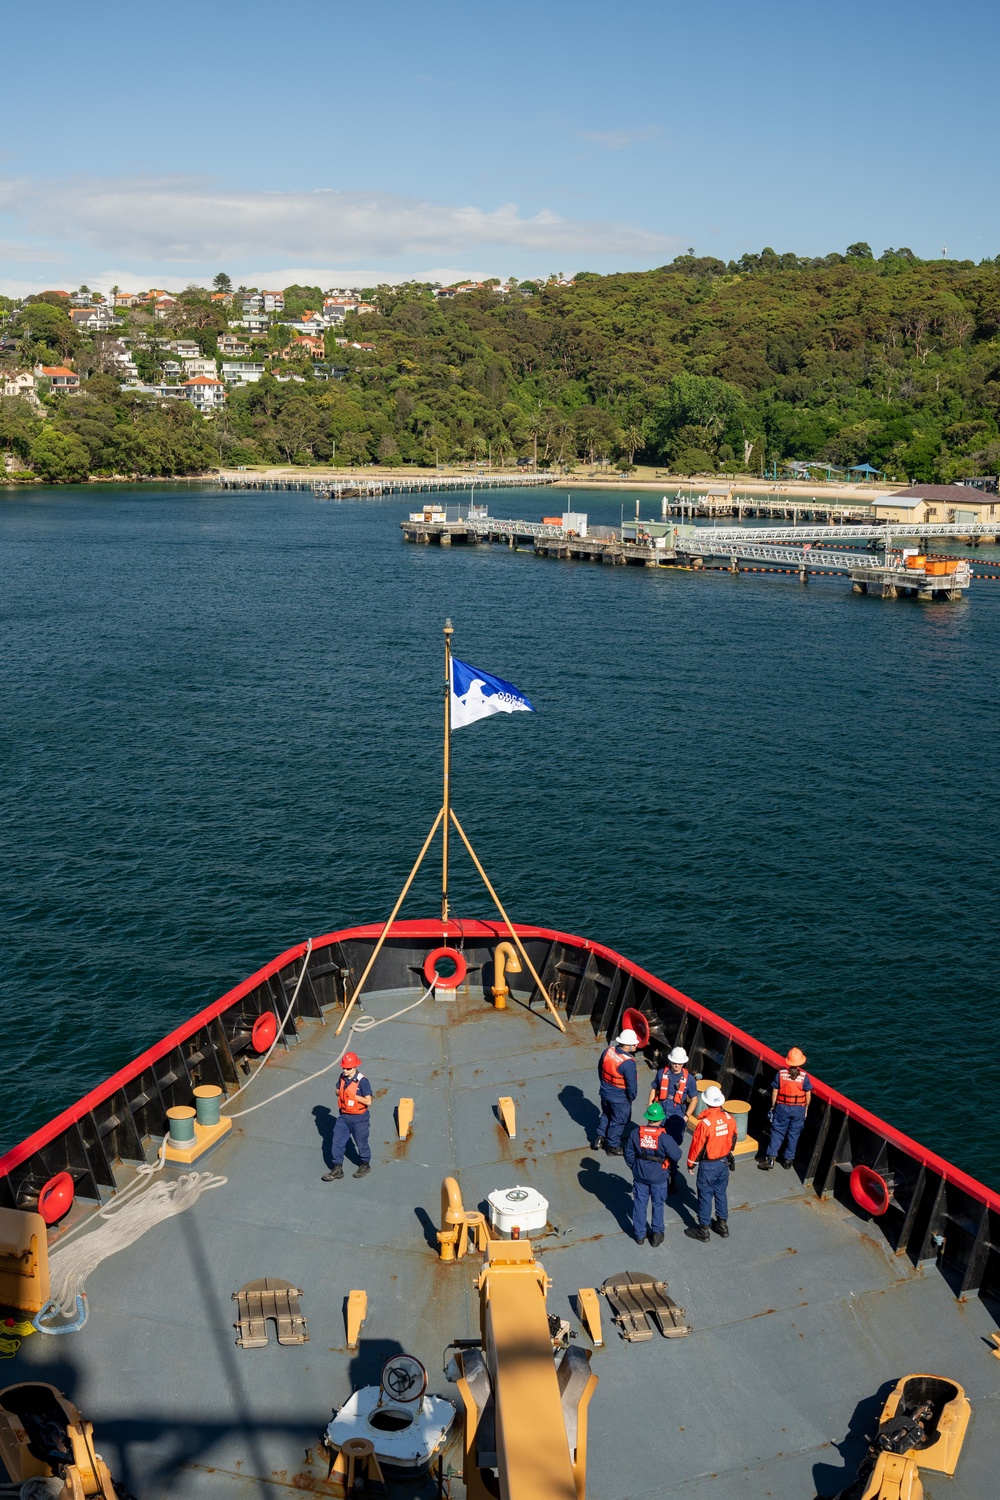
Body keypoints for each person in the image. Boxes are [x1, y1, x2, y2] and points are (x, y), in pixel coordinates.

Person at [684, 1085, 738, 1242]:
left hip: (709, 1166)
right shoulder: (729, 1118)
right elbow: (733, 1138)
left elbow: (697, 1146)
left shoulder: (705, 1124)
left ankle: (704, 1229)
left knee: (705, 1195)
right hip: (723, 1162)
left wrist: (690, 1164)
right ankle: (722, 1225)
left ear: (706, 1102)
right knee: (721, 1192)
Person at [624, 1102, 681, 1245]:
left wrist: (635, 1167)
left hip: (640, 1176)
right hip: (659, 1177)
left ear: (648, 1118)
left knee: (639, 1204)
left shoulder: (635, 1133)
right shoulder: (665, 1138)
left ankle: (639, 1235)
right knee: (658, 1204)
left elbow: (628, 1154)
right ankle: (656, 1234)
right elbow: (677, 1155)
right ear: (661, 1119)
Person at [648, 1045, 699, 1189]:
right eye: (674, 1062)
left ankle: (672, 1177)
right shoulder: (660, 1074)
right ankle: (658, 1173)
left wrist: (686, 1116)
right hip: (661, 1114)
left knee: (672, 1148)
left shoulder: (689, 1080)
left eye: (679, 1063)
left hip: (677, 1117)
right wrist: (650, 1107)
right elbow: (654, 1089)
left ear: (683, 1063)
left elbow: (694, 1099)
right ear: (670, 1061)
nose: (676, 1065)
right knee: (656, 1144)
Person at [322, 1051, 373, 1181]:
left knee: (361, 1143)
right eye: (343, 1067)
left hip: (359, 1119)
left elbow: (368, 1101)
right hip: (344, 1116)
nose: (345, 1070)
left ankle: (365, 1164)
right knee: (337, 1141)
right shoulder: (342, 1077)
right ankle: (337, 1168)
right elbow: (337, 1090)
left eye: (348, 1068)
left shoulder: (363, 1081)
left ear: (355, 1067)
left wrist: (353, 1096)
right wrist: (342, 1093)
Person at [759, 1047, 812, 1171]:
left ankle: (771, 1159)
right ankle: (788, 1161)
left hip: (782, 1108)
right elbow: (808, 1095)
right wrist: (806, 1108)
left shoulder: (781, 1074)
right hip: (798, 1109)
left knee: (777, 1132)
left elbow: (774, 1092)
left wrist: (773, 1106)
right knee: (794, 1134)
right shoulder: (804, 1077)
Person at [593, 1028, 638, 1155]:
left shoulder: (608, 1051)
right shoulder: (628, 1063)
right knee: (619, 1121)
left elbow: (600, 1068)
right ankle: (612, 1147)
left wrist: (604, 1084)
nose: (636, 1045)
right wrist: (630, 1098)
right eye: (634, 1044)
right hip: (620, 1097)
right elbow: (632, 1086)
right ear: (626, 1045)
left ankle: (600, 1138)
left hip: (605, 1091)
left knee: (606, 1114)